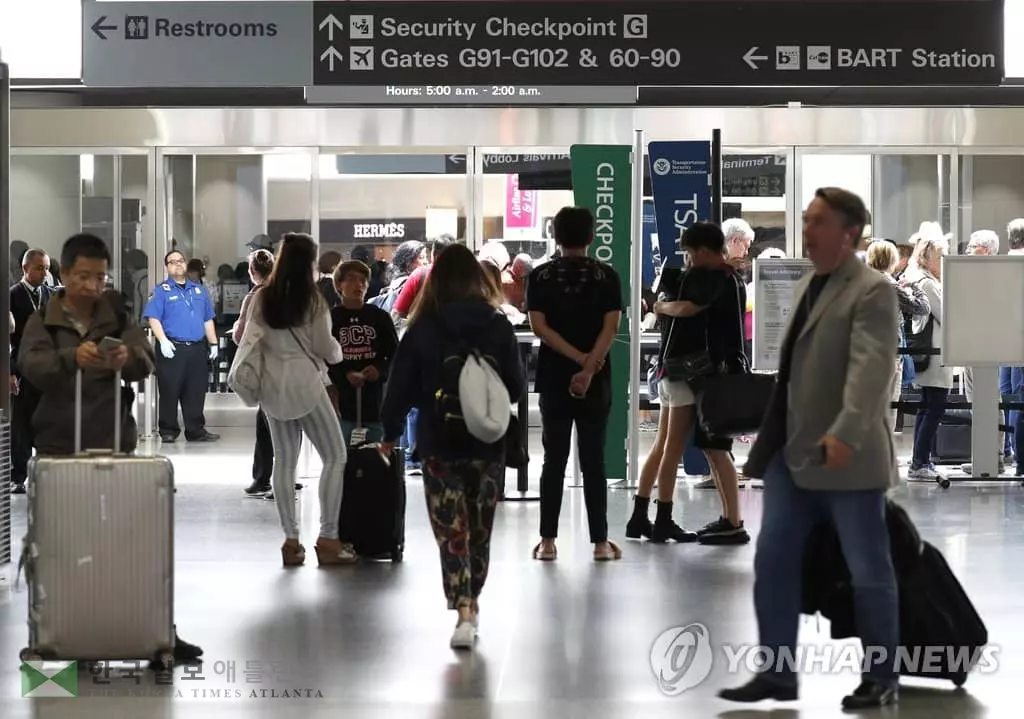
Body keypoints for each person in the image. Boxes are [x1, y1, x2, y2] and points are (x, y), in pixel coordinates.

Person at [720, 188, 900, 710]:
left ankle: (882, 676)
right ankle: (777, 675)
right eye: (806, 220)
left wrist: (844, 432)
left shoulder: (871, 291)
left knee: (869, 570)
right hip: (793, 458)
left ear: (849, 233)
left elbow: (871, 372)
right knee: (773, 562)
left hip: (847, 457)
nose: (807, 230)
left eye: (817, 221)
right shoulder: (809, 284)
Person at [17, 232, 203, 665]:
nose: (92, 286)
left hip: (113, 445)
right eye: (83, 276)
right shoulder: (42, 320)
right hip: (59, 450)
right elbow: (32, 366)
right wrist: (70, 359)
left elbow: (144, 360)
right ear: (64, 274)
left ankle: (153, 633)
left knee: (128, 543)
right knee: (60, 547)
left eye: (99, 277)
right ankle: (56, 637)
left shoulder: (116, 314)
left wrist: (128, 360)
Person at [379, 243, 525, 649]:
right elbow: (514, 386)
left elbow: (400, 389)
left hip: (438, 443)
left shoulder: (423, 327)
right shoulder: (498, 326)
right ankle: (472, 601)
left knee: (452, 531)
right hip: (487, 443)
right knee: (479, 529)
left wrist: (390, 433)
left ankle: (462, 609)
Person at [626, 222, 751, 545]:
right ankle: (663, 517)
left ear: (706, 250)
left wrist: (659, 306)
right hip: (693, 373)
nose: (689, 259)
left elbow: (689, 309)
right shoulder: (723, 279)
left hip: (680, 370)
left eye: (691, 253)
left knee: (668, 447)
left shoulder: (708, 280)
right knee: (680, 448)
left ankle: (646, 515)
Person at [246, 233, 353, 567]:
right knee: (335, 455)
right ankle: (328, 538)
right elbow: (327, 350)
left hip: (272, 389)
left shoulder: (263, 298)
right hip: (307, 385)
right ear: (309, 264)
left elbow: (248, 338)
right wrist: (337, 351)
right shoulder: (313, 301)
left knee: (284, 462)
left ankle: (291, 542)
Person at [527, 206, 624, 562]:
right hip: (597, 378)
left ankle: (548, 542)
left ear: (555, 236)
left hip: (553, 376)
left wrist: (575, 360)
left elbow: (540, 329)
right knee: (594, 458)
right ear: (591, 237)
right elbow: (611, 328)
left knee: (553, 458)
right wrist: (590, 364)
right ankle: (600, 543)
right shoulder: (607, 276)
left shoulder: (539, 277)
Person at [143, 250, 220, 443]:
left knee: (196, 390)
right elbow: (153, 318)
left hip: (196, 348)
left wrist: (213, 343)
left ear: (185, 265)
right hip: (173, 348)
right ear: (167, 267)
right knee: (169, 390)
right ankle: (168, 430)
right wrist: (163, 341)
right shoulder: (161, 291)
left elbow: (207, 318)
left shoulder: (199, 290)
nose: (178, 264)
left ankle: (195, 430)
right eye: (172, 262)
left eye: (181, 261)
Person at [328, 260, 399, 445]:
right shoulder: (330, 319)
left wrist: (379, 370)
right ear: (339, 285)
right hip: (341, 404)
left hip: (374, 404)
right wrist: (344, 374)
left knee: (375, 460)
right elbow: (322, 358)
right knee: (341, 458)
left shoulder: (379, 317)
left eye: (362, 280)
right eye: (351, 279)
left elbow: (395, 355)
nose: (358, 285)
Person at [902, 228, 951, 481]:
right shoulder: (929, 284)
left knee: (927, 407)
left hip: (931, 354)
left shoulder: (922, 280)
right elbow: (946, 315)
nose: (944, 262)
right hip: (935, 355)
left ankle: (920, 460)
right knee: (934, 408)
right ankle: (920, 462)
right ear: (929, 258)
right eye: (941, 256)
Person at [9, 249, 54, 495]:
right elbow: (7, 340)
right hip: (23, 366)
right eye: (39, 268)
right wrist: (10, 371)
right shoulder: (13, 295)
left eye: (46, 268)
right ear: (25, 268)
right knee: (22, 424)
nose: (44, 273)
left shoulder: (52, 295)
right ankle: (18, 476)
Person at [232, 249, 276, 498]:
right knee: (292, 424)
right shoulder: (289, 293)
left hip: (266, 367)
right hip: (293, 369)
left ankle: (262, 477)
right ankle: (287, 473)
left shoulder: (254, 296)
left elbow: (241, 337)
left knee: (266, 424)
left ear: (252, 271)